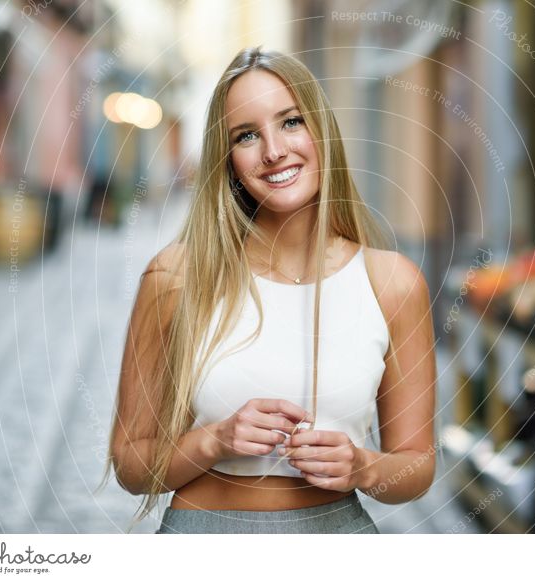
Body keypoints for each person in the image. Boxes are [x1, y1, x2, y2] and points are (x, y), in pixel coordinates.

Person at [105, 46, 437, 534]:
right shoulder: (175, 277)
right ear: (228, 160)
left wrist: (364, 468)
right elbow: (131, 466)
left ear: (322, 130)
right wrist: (214, 441)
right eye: (246, 135)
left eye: (290, 121)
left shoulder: (392, 282)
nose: (274, 151)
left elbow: (417, 466)